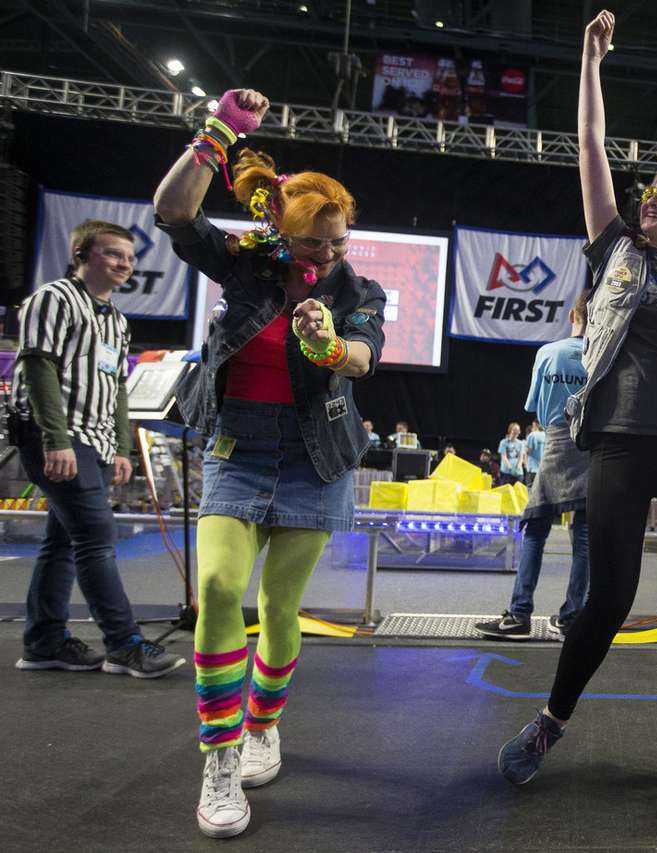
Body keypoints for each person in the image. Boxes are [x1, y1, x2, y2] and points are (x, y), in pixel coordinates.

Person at [496, 10, 657, 794]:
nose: (651, 200)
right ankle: (550, 720)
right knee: (607, 596)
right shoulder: (616, 249)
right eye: (650, 191)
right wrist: (590, 62)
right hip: (615, 438)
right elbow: (590, 146)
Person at [153, 88, 386, 838]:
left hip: (318, 454)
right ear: (280, 232)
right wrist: (218, 132)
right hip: (237, 446)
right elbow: (173, 212)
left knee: (281, 607)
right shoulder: (244, 264)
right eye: (315, 244)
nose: (330, 255)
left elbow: (363, 357)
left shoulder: (359, 289)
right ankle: (220, 759)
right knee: (220, 589)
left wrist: (328, 345)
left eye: (340, 241)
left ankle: (263, 726)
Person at [10, 220, 186, 679]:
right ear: (82, 255)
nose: (125, 263)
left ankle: (44, 642)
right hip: (57, 436)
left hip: (96, 442)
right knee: (96, 536)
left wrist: (122, 448)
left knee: (62, 541)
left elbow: (117, 388)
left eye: (129, 257)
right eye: (113, 254)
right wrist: (56, 439)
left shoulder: (116, 320)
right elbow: (39, 367)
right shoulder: (54, 298)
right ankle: (123, 643)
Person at [476, 301, 591, 640]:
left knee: (535, 529)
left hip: (556, 443)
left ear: (572, 315)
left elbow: (533, 406)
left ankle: (519, 614)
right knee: (584, 536)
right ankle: (573, 618)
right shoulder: (605, 355)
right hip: (592, 448)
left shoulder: (548, 352)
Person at [523, 419, 545, 487]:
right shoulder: (546, 435)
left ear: (535, 424)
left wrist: (525, 450)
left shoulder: (532, 435)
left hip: (532, 469)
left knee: (530, 489)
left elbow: (529, 451)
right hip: (543, 468)